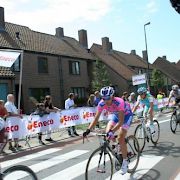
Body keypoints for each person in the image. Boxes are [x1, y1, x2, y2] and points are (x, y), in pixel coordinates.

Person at [83, 86, 133, 175]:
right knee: (108, 133)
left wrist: (113, 131)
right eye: (104, 98)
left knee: (121, 138)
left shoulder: (119, 102)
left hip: (126, 116)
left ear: (112, 96)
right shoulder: (101, 103)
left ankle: (125, 162)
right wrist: (88, 130)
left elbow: (121, 122)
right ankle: (118, 150)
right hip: (115, 116)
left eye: (108, 98)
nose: (106, 101)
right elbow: (96, 118)